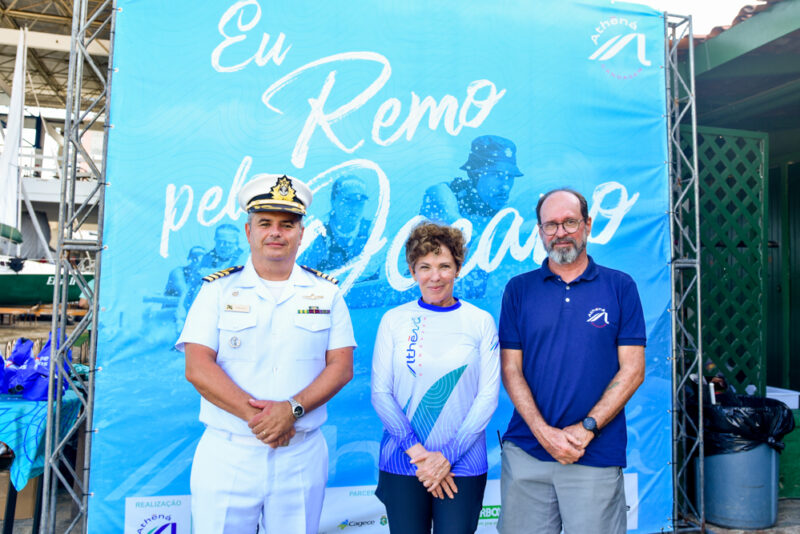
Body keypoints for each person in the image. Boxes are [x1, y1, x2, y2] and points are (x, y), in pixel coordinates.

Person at [176, 174, 356, 534]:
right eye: (265, 224)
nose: (276, 232)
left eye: (287, 225)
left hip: (300, 453)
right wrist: (264, 420)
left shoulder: (326, 293)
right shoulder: (216, 291)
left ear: (301, 234)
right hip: (229, 452)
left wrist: (291, 411)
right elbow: (197, 367)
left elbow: (341, 367)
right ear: (248, 231)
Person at [496, 188, 646, 534]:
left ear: (587, 224)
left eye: (569, 222)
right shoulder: (519, 290)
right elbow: (510, 370)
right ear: (540, 231)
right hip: (528, 452)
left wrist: (586, 429)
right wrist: (544, 433)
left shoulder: (620, 287)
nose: (560, 232)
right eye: (551, 225)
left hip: (594, 453)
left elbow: (633, 370)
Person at [371, 222, 500, 534]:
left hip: (463, 463)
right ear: (412, 271)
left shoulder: (480, 321)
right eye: (424, 267)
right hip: (403, 462)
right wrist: (419, 455)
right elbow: (380, 393)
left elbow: (488, 397)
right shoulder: (394, 321)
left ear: (457, 269)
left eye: (444, 266)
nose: (435, 276)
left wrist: (447, 457)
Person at [420, 135, 524, 298]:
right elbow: (462, 232)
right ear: (476, 174)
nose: (505, 185)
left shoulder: (508, 214)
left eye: (509, 177)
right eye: (497, 175)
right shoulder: (443, 194)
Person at [302, 174, 372, 271]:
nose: (355, 207)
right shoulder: (317, 237)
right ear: (333, 201)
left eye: (360, 201)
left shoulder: (374, 232)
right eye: (348, 200)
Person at [163, 245, 206, 314]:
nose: (197, 262)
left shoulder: (203, 275)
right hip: (170, 312)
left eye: (201, 259)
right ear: (189, 259)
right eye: (195, 258)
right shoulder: (178, 272)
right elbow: (184, 292)